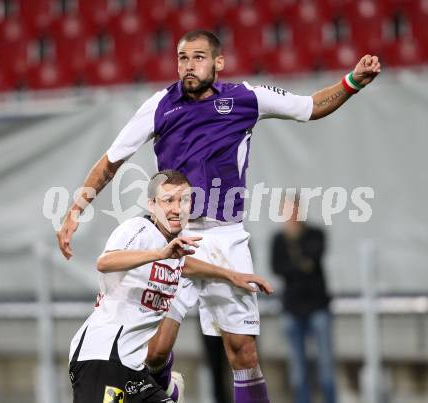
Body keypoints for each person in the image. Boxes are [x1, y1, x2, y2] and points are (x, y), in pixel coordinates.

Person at [57, 30, 380, 403]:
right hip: (174, 237)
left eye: (197, 57)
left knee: (242, 352)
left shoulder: (246, 98)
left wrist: (352, 81)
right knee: (156, 351)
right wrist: (75, 209)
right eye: (181, 58)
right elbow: (112, 160)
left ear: (218, 62)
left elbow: (311, 107)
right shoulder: (160, 105)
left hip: (226, 236)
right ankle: (166, 388)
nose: (188, 66)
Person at [69, 170, 272, 403]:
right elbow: (104, 262)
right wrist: (160, 253)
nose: (177, 208)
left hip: (133, 369)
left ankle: (168, 384)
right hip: (101, 359)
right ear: (152, 205)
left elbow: (187, 265)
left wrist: (231, 275)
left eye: (184, 200)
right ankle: (168, 383)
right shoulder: (139, 229)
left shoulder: (174, 248)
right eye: (168, 201)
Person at [270, 195, 336, 403]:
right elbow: (278, 268)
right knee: (298, 370)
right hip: (292, 310)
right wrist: (301, 264)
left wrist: (295, 261)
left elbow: (314, 259)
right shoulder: (278, 240)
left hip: (318, 308)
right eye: (287, 211)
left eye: (294, 210)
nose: (291, 216)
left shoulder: (316, 234)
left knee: (326, 367)